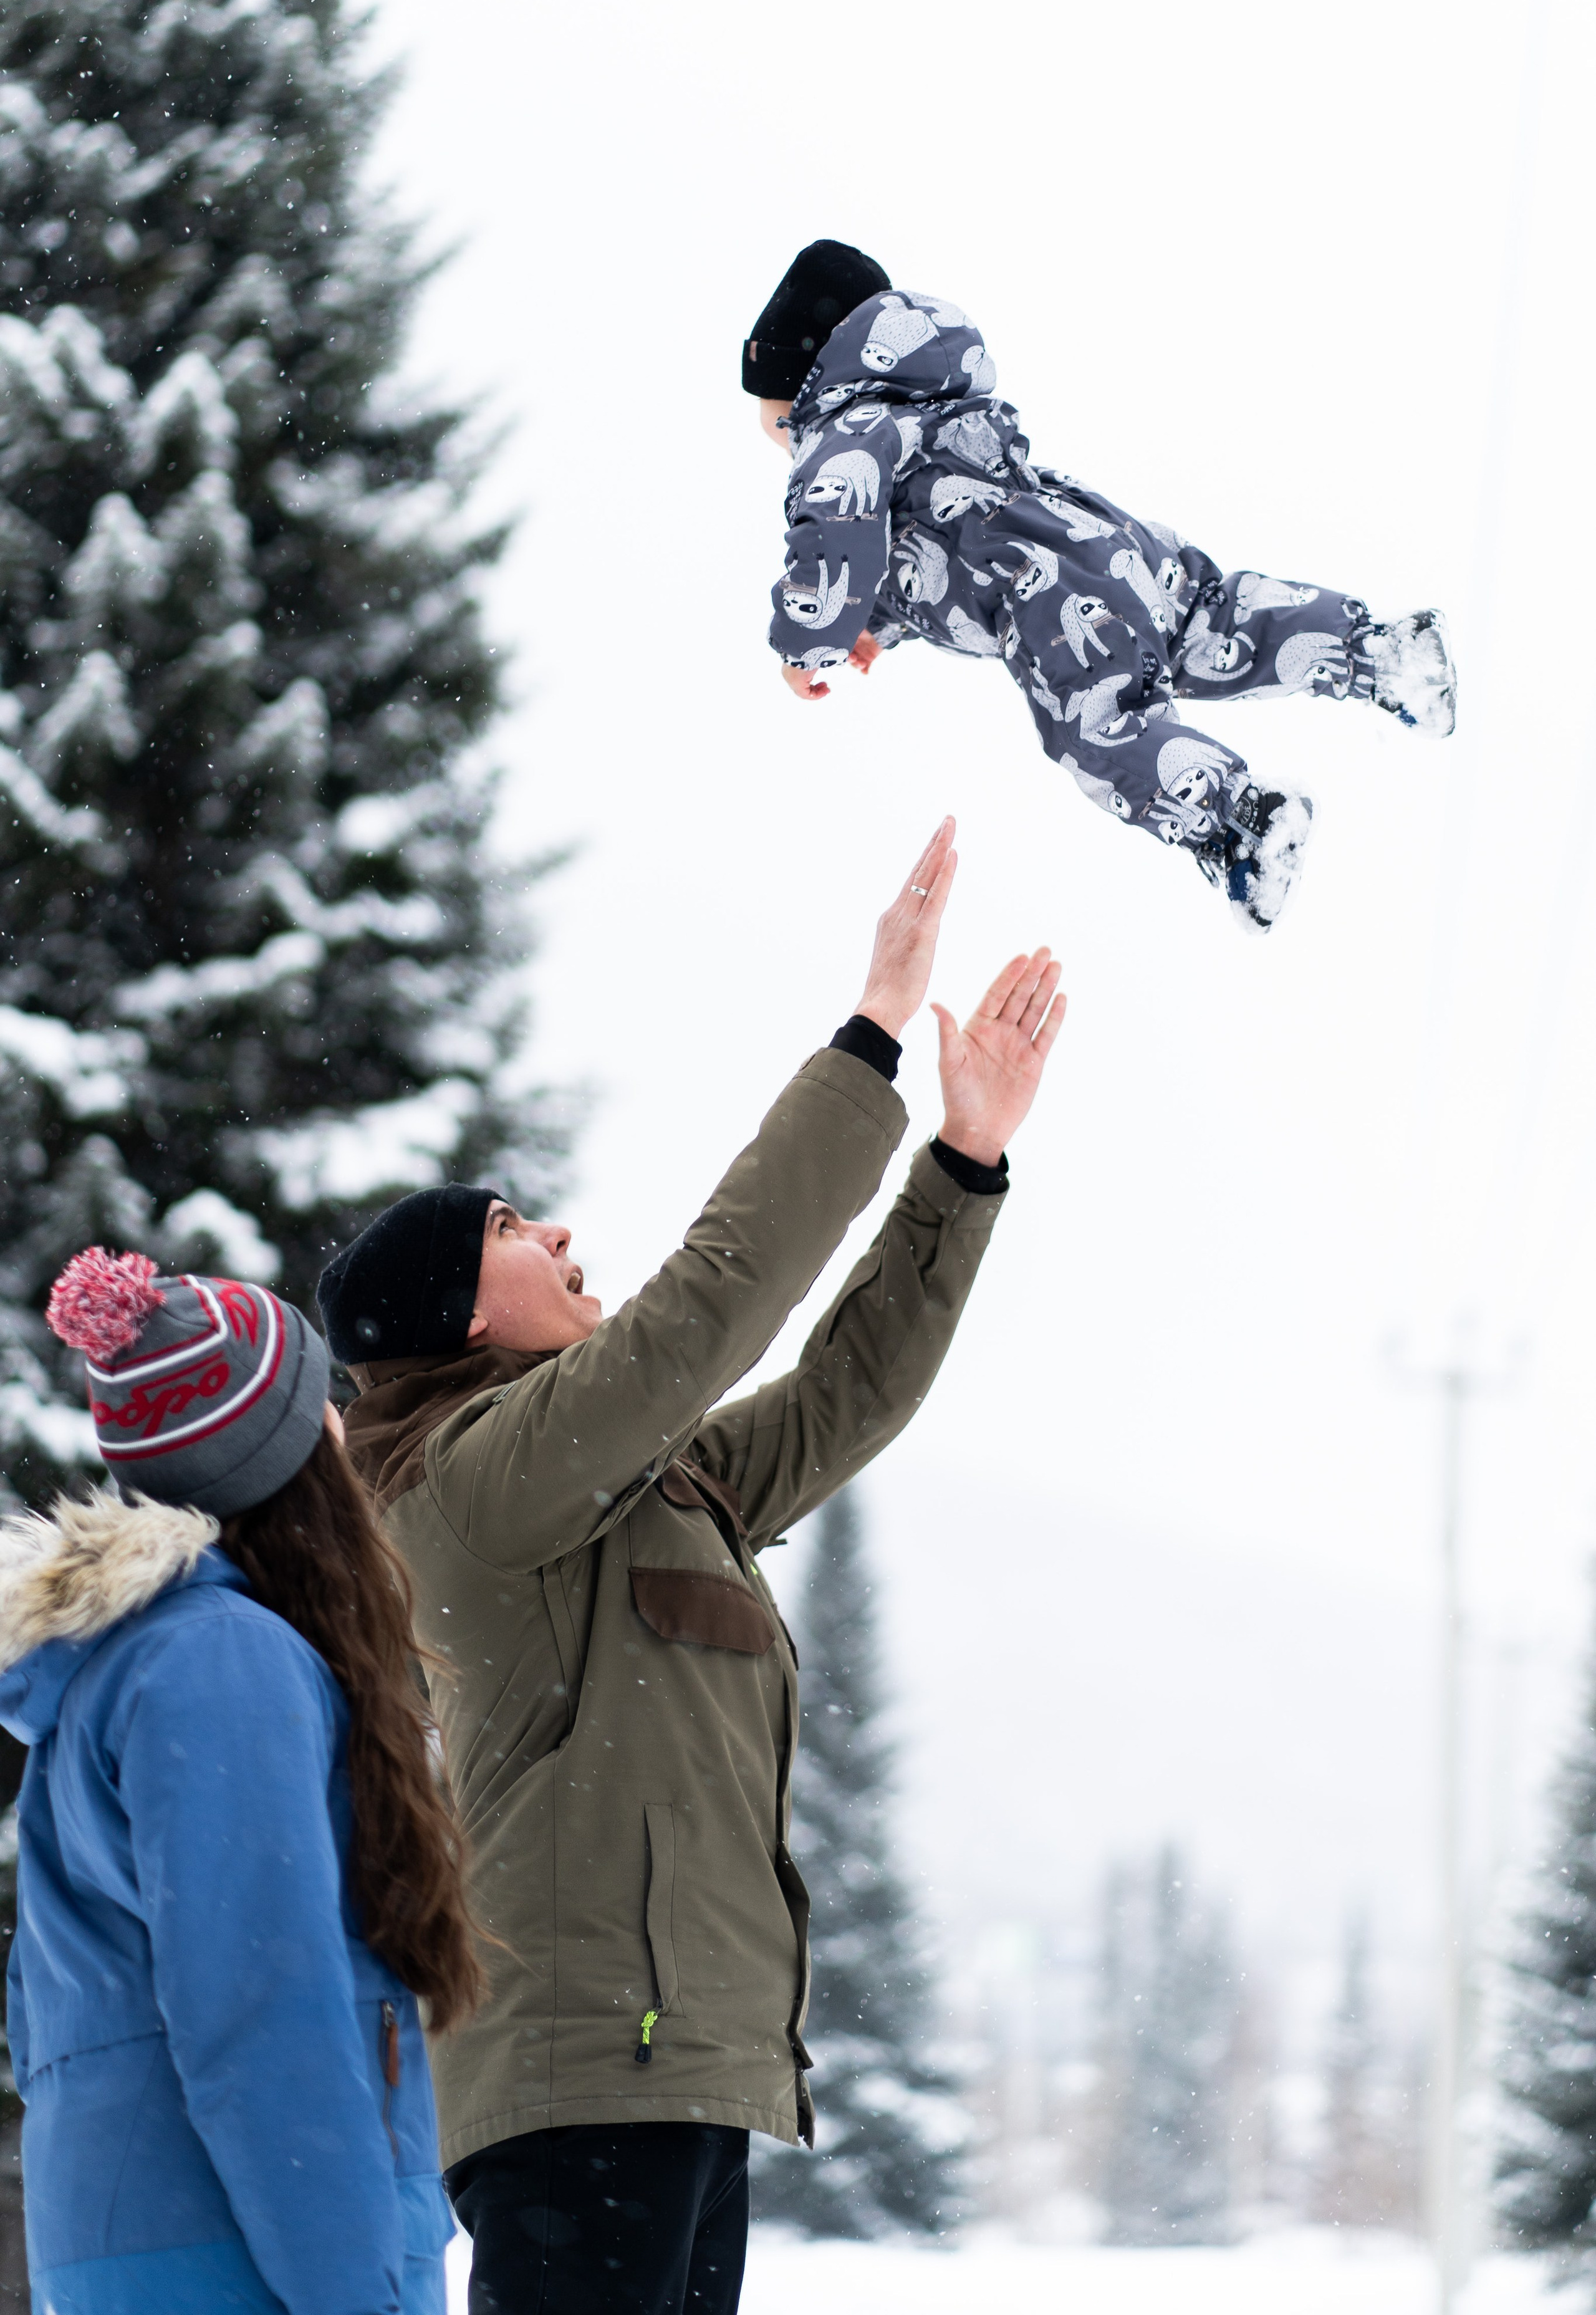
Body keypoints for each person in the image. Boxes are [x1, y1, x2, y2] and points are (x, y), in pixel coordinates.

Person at [320, 818, 1064, 2315]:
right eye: (515, 1230)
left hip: (670, 2070)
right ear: (457, 1319)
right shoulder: (472, 1481)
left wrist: (963, 1158)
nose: (561, 1230)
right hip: (576, 2075)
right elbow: (711, 1302)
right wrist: (867, 1038)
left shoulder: (641, 1487)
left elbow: (844, 1392)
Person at [2, 1252, 475, 2314]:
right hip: (240, 2262)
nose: (350, 1427)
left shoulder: (118, 1669)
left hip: (149, 2241)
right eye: (328, 1403)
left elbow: (44, 2020)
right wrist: (358, 2289)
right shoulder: (219, 1662)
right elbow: (262, 2013)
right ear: (289, 1453)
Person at [745, 239, 1458, 934]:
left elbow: (835, 538)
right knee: (1210, 621)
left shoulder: (839, 431)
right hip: (1098, 540)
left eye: (775, 430)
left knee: (1099, 723)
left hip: (1043, 598)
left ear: (800, 393)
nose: (786, 450)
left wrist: (808, 645)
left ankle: (1245, 824)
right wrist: (874, 624)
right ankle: (1385, 655)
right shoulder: (926, 404)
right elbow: (913, 547)